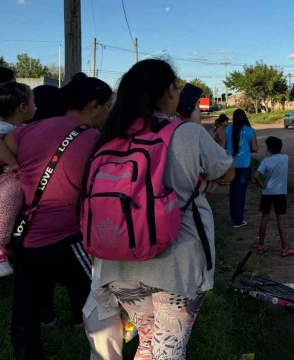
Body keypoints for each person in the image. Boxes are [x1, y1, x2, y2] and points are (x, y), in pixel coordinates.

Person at [92, 59, 235, 360]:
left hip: (117, 258)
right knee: (168, 349)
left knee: (147, 340)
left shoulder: (110, 135)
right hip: (176, 261)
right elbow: (228, 171)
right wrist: (206, 178)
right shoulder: (187, 133)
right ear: (170, 91)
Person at [3, 74, 112, 360]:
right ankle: (100, 341)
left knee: (24, 309)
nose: (108, 112)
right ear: (93, 104)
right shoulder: (94, 139)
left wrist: (15, 167)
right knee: (99, 292)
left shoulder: (29, 130)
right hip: (67, 235)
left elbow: (4, 152)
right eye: (107, 106)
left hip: (25, 236)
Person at [0, 82, 37, 278]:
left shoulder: (22, 128)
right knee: (10, 198)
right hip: (7, 176)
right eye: (33, 101)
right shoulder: (5, 126)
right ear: (23, 107)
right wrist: (13, 163)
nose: (36, 106)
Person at [253, 136, 294, 257]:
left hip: (267, 193)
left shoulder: (265, 161)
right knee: (281, 220)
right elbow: (280, 154)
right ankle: (284, 247)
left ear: (269, 149)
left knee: (264, 218)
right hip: (280, 193)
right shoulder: (285, 158)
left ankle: (260, 246)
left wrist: (263, 185)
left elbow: (256, 175)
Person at [225, 109, 258, 228]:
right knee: (240, 193)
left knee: (233, 191)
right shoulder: (250, 131)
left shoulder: (228, 129)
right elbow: (255, 149)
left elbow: (223, 146)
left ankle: (233, 217)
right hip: (244, 165)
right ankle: (238, 221)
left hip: (230, 165)